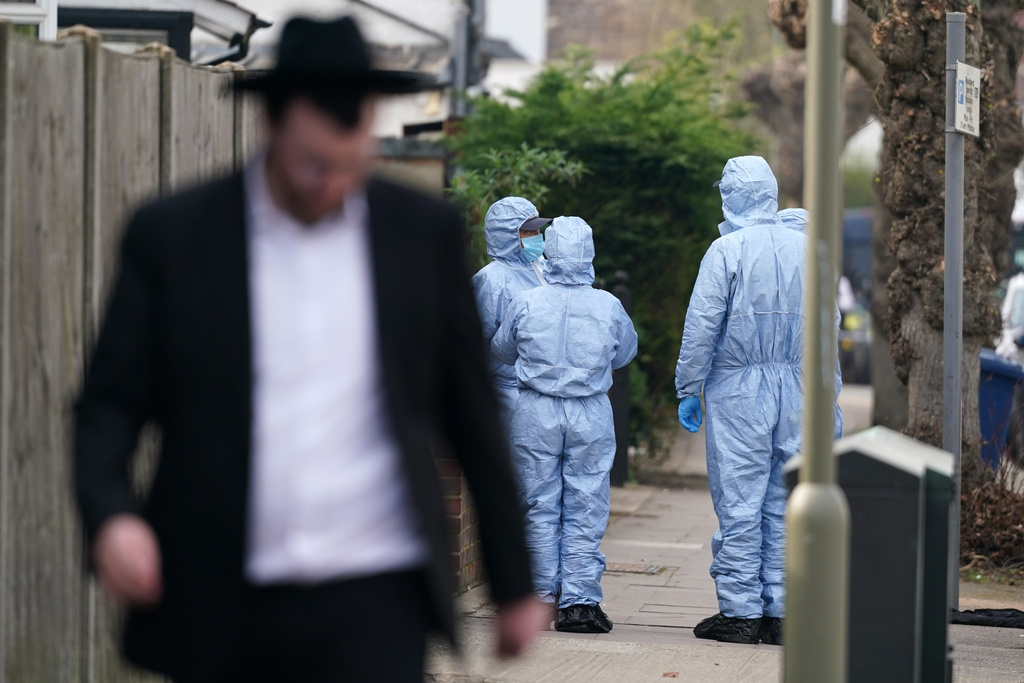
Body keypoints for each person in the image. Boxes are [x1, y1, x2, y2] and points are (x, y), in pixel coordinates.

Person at [73, 16, 547, 683]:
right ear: (269, 123)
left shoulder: (420, 237)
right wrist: (111, 515)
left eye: (348, 165)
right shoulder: (174, 239)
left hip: (376, 593)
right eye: (311, 165)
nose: (330, 184)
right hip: (220, 591)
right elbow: (107, 406)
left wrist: (514, 582)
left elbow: (471, 410)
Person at [675, 157, 842, 646]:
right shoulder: (811, 250)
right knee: (785, 499)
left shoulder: (726, 250)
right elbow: (827, 331)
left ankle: (740, 610)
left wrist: (689, 386)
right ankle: (782, 611)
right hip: (799, 386)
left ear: (730, 196)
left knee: (740, 500)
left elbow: (702, 326)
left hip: (739, 390)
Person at [492, 216, 638, 634]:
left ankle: (538, 598)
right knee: (586, 503)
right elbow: (625, 351)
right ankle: (580, 602)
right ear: (589, 253)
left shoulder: (528, 301)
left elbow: (503, 349)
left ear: (550, 252)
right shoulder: (608, 305)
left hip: (535, 410)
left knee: (537, 503)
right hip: (589, 410)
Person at [472, 197, 551, 426]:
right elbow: (476, 344)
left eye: (537, 230)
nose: (537, 237)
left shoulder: (544, 268)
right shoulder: (491, 280)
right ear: (506, 236)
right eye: (528, 231)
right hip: (507, 396)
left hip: (545, 394)